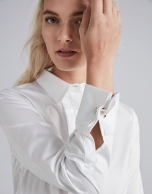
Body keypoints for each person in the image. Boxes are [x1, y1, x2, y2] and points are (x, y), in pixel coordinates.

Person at [0, 0, 144, 193]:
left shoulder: (125, 118)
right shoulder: (17, 102)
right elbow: (83, 181)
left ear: (104, 26)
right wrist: (101, 61)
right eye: (52, 19)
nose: (63, 36)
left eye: (79, 21)